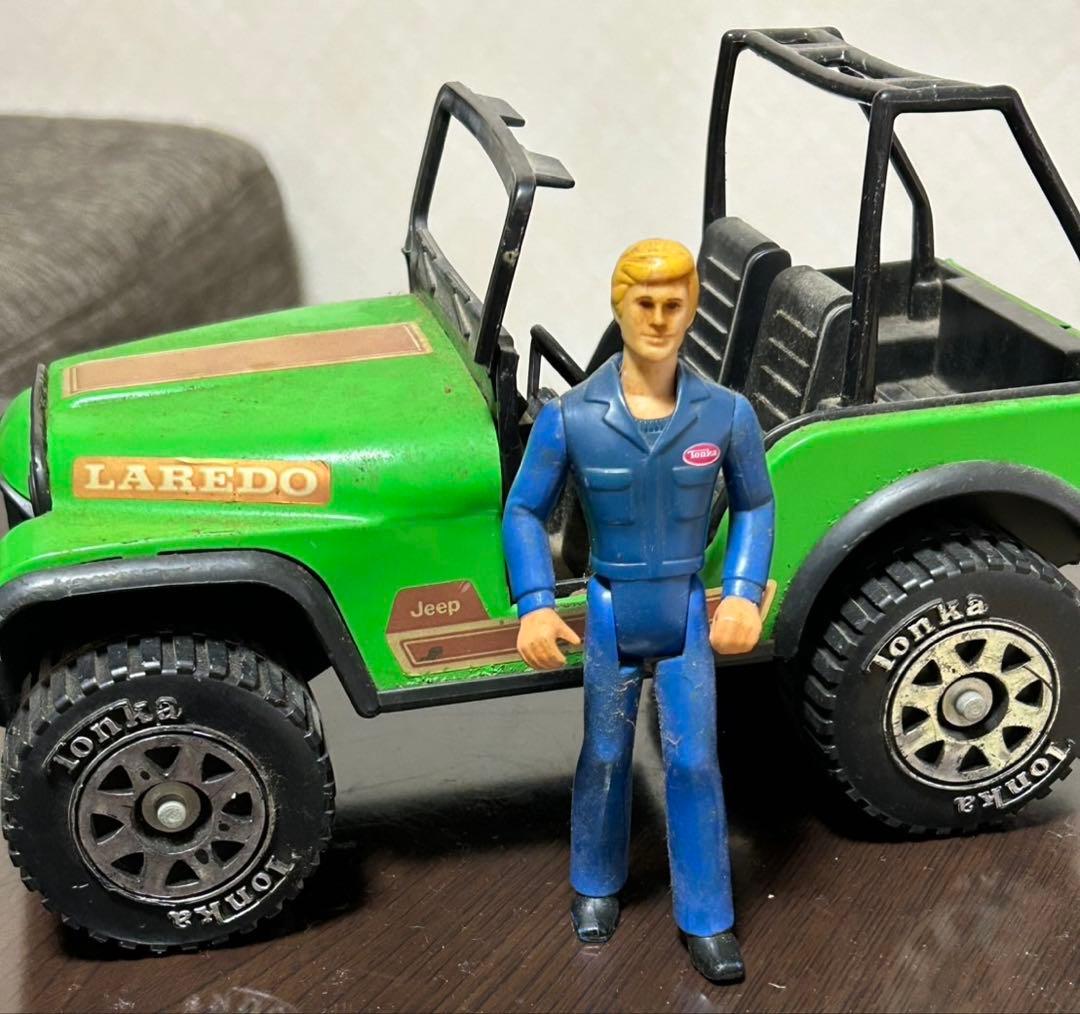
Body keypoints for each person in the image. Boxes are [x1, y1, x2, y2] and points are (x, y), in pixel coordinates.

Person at [502, 238, 774, 984]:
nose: (658, 318)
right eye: (644, 302)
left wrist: (742, 590)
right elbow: (523, 510)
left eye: (673, 304)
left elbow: (756, 503)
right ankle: (595, 883)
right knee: (603, 754)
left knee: (693, 761)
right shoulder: (572, 417)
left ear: (693, 310)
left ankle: (708, 918)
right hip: (609, 605)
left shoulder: (726, 414)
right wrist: (534, 604)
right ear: (618, 306)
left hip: (685, 607)